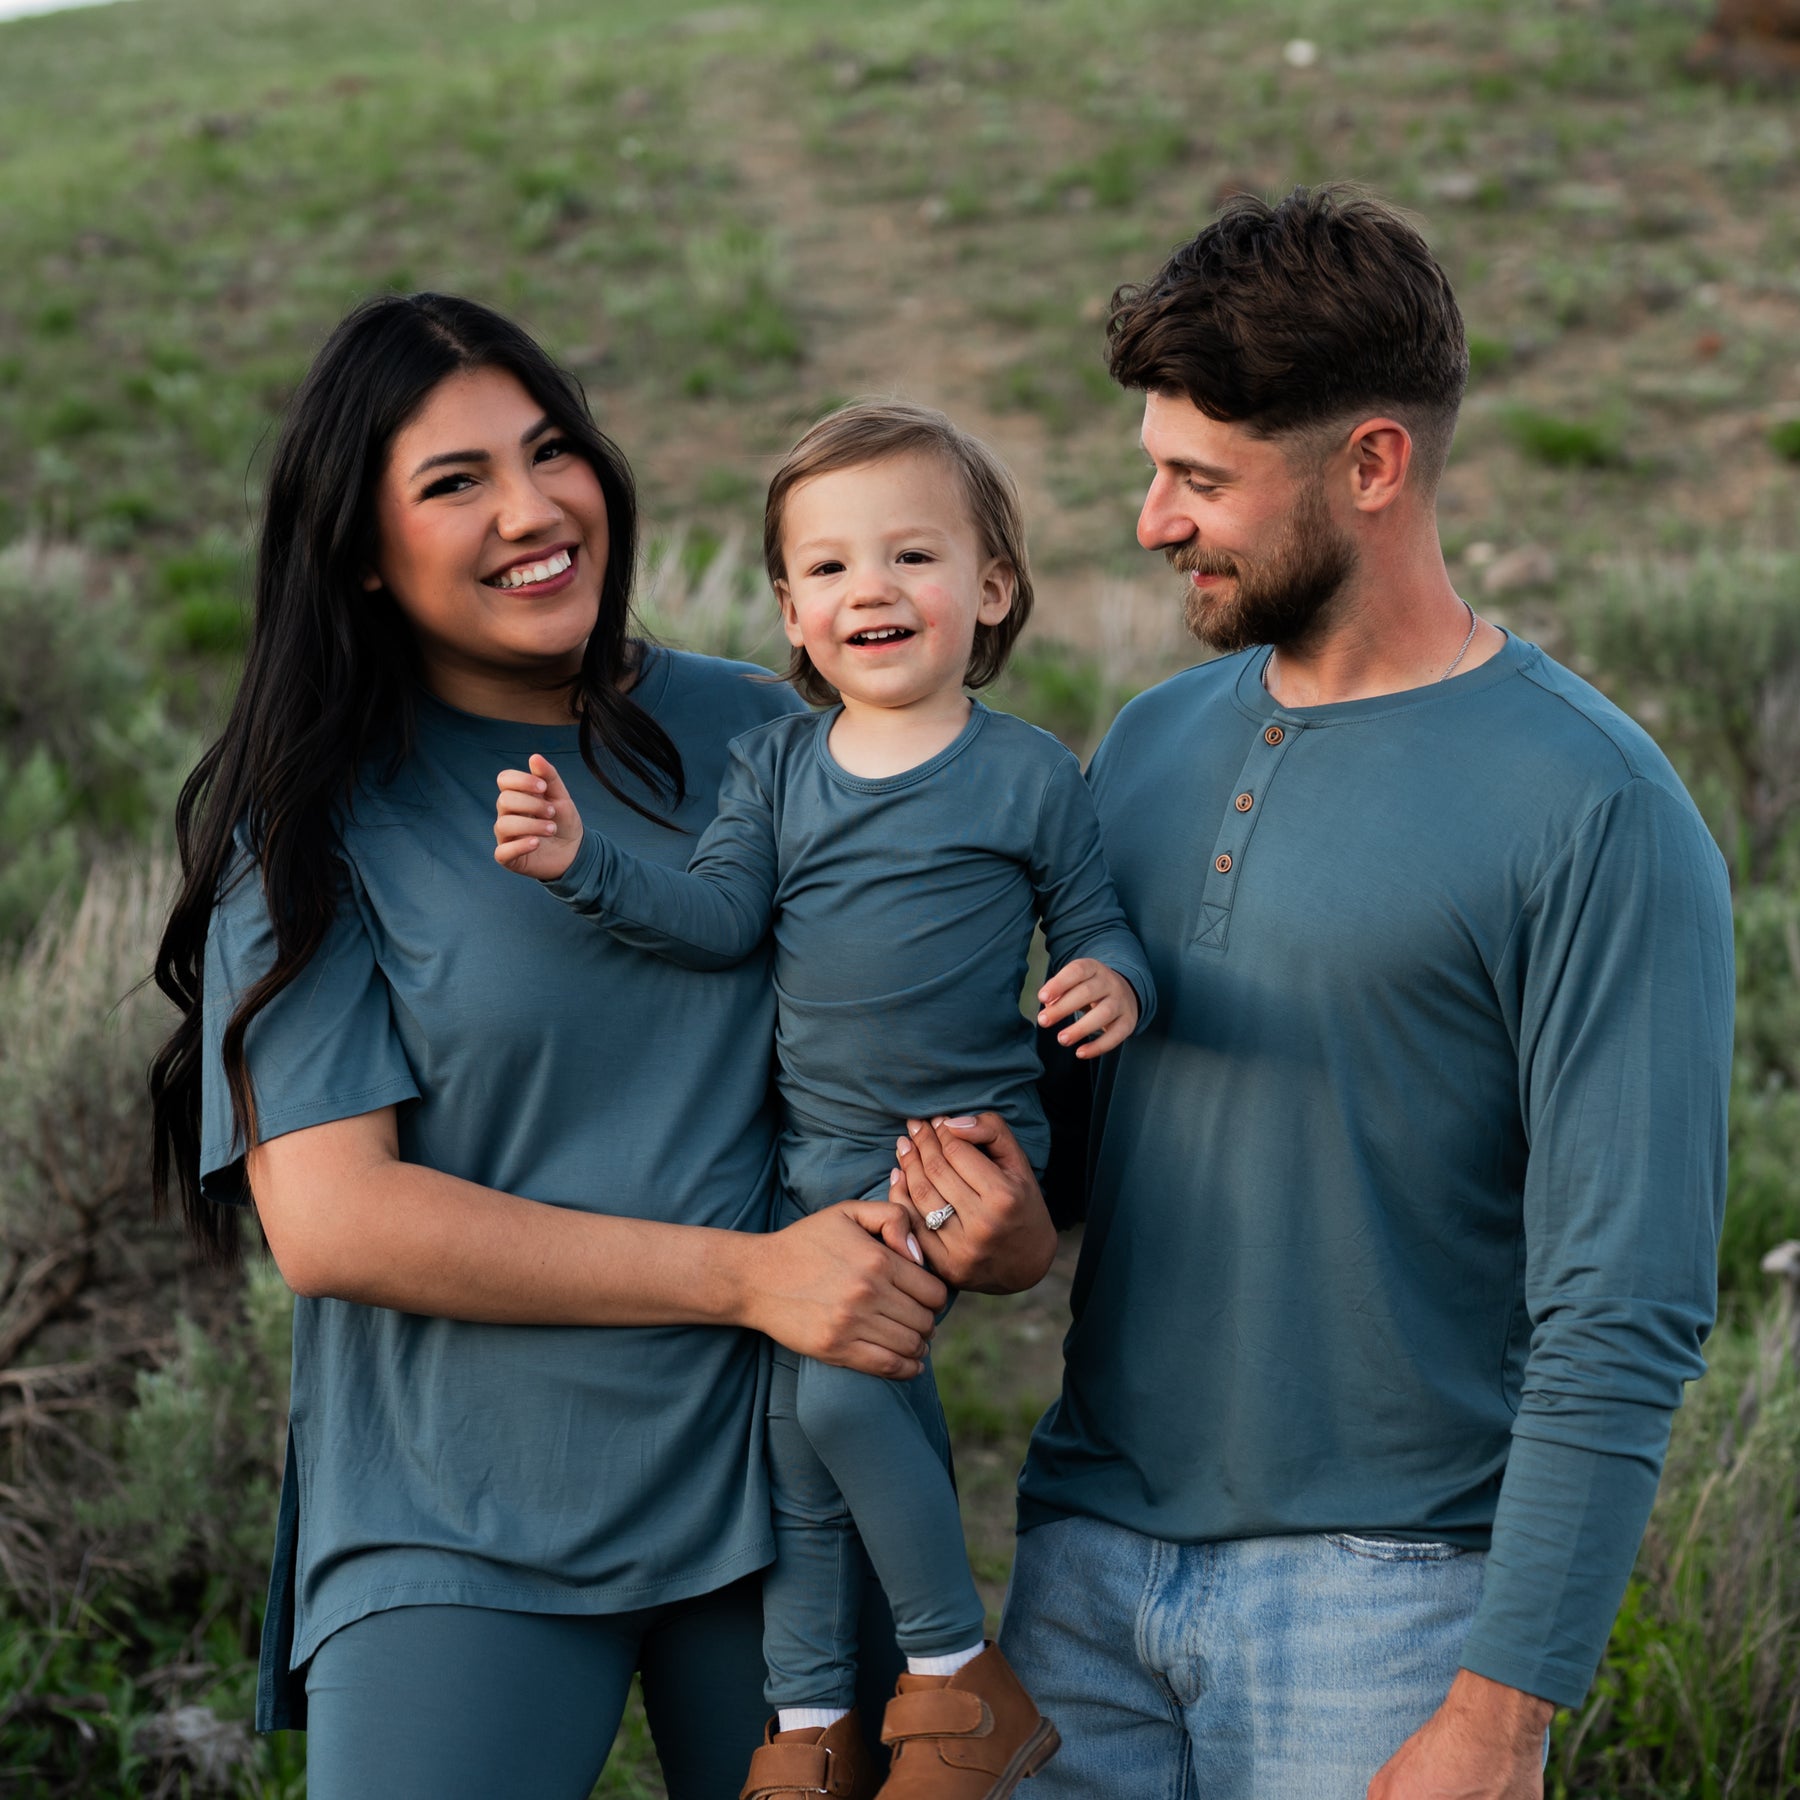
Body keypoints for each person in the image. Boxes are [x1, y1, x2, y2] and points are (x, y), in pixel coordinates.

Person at [147, 295, 1052, 1800]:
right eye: (455, 483)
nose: (532, 509)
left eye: (550, 450)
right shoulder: (311, 827)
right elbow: (334, 1221)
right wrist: (752, 1279)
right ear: (363, 553)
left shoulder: (778, 733)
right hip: (456, 1510)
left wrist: (1002, 1228)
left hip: (791, 1487)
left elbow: (914, 1054)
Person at [891, 187, 1735, 1799]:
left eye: (1200, 479)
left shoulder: (1597, 812)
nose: (1150, 520)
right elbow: (1070, 1144)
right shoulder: (1142, 745)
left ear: (1371, 464)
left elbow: (1624, 1305)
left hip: (1393, 1611)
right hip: (1081, 1573)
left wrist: (1507, 1708)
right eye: (1154, 469)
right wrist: (1005, 1219)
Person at [492, 401, 1152, 1800]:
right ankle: (805, 1732)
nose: (875, 591)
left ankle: (954, 1683)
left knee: (850, 1410)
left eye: (913, 556)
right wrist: (578, 863)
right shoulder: (777, 771)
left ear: (991, 588)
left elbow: (1097, 923)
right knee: (796, 1443)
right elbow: (718, 916)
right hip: (819, 1162)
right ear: (791, 612)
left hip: (957, 1146)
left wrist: (1110, 981)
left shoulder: (1026, 772)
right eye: (835, 568)